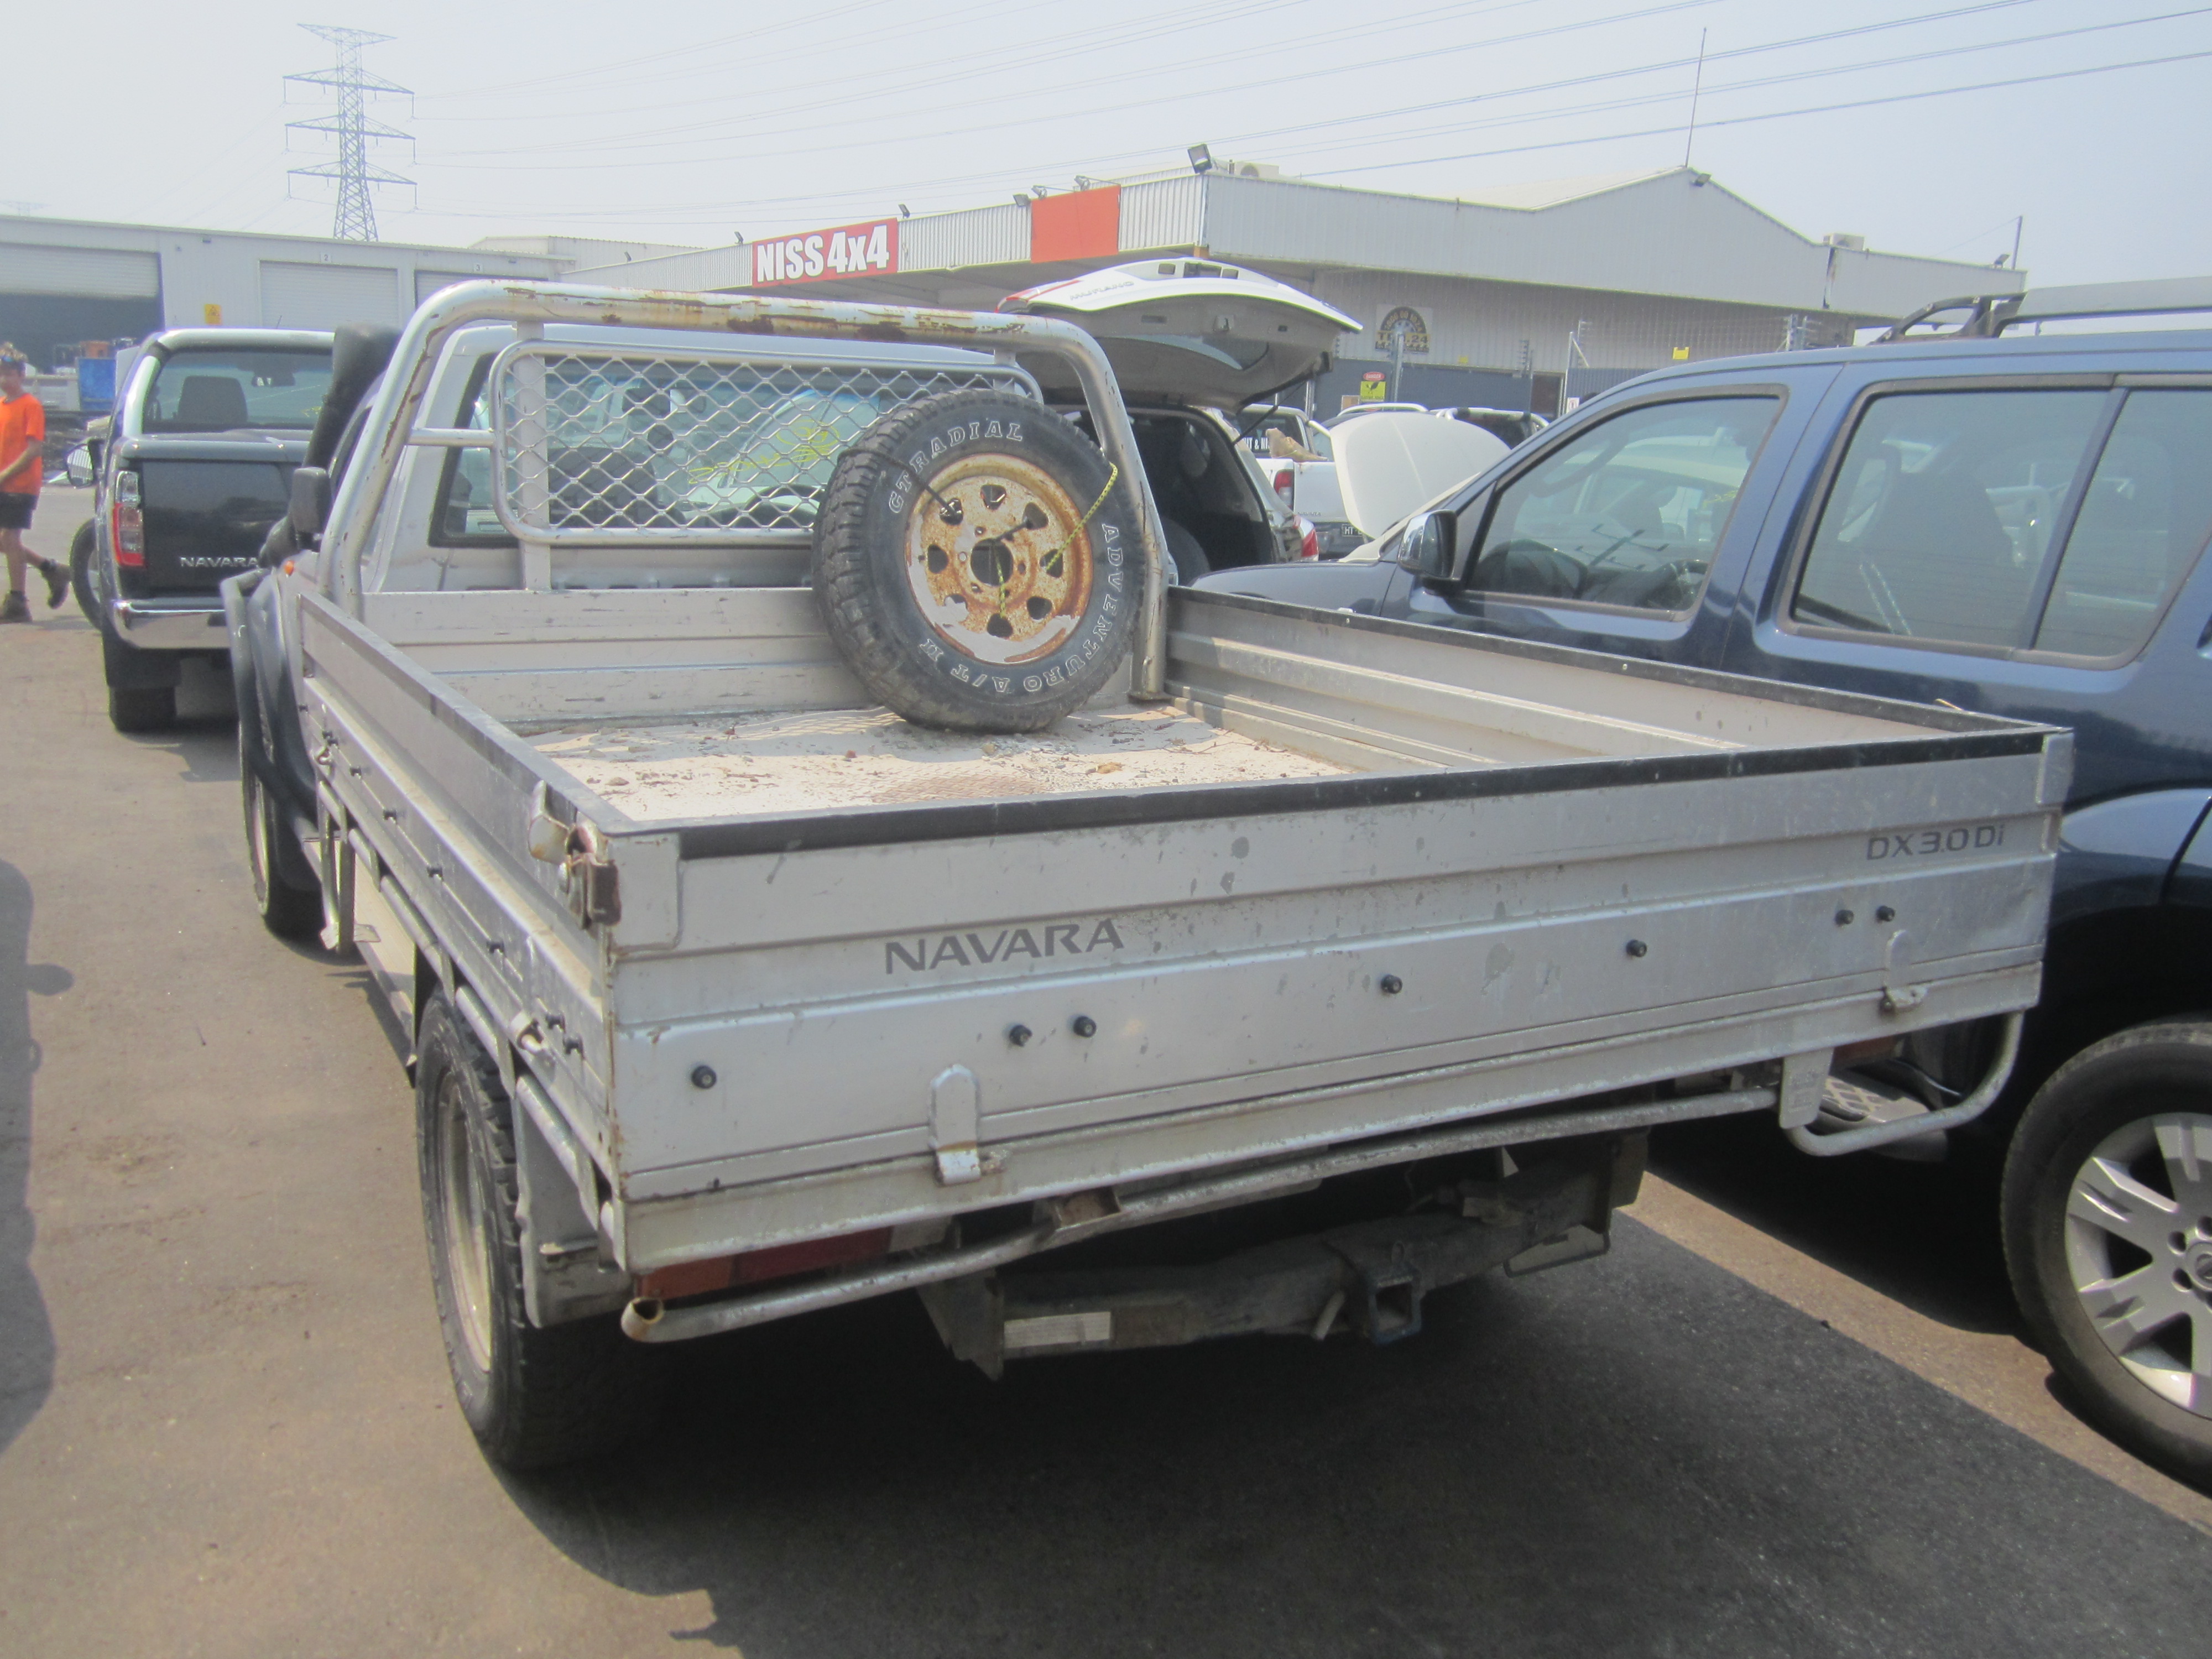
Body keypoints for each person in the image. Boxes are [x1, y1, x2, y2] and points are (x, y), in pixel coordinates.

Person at [0, 348, 67, 623]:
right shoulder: (3, 406)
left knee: (9, 539)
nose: (5, 379)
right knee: (4, 541)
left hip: (21, 484)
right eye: (1, 374)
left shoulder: (31, 406)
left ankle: (18, 601)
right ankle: (51, 569)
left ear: (21, 375)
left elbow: (34, 450)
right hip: (4, 483)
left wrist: (4, 475)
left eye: (10, 374)